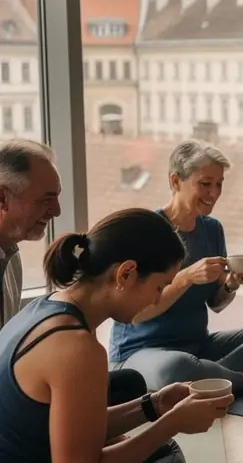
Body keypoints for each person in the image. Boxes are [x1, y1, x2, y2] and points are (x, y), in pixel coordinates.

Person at [0, 208, 230, 463]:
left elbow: (72, 429)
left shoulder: (50, 308)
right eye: (158, 286)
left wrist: (154, 406)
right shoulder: (75, 348)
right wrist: (171, 423)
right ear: (125, 274)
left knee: (162, 454)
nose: (158, 299)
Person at [109, 141, 243, 392]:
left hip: (199, 346)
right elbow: (136, 314)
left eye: (219, 184)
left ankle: (212, 378)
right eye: (205, 184)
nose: (214, 193)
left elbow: (216, 304)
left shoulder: (212, 229)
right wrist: (186, 277)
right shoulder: (147, 231)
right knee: (176, 368)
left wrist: (230, 285)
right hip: (141, 352)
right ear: (175, 181)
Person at [0, 139, 146, 404]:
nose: (56, 211)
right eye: (47, 199)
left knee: (128, 385)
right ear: (2, 198)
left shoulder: (11, 255)